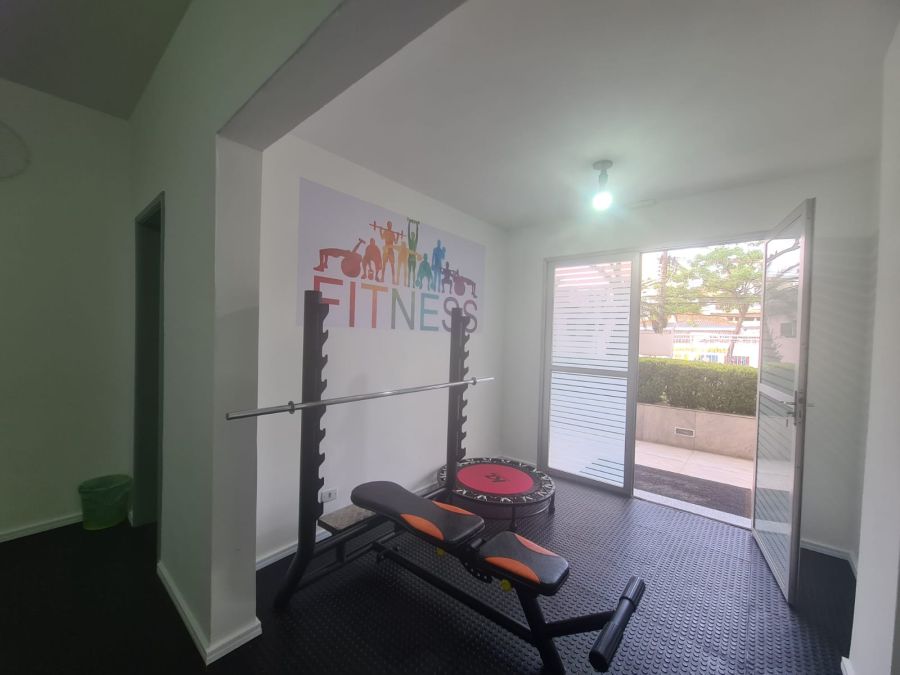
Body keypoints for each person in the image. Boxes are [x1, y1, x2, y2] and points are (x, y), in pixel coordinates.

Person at [407, 219, 420, 287]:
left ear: (414, 236)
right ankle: (409, 283)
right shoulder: (410, 241)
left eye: (413, 235)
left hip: (413, 258)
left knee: (413, 272)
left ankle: (413, 284)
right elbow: (408, 233)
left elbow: (417, 235)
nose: (412, 236)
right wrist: (409, 224)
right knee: (410, 271)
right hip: (410, 258)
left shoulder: (415, 242)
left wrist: (417, 226)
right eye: (412, 235)